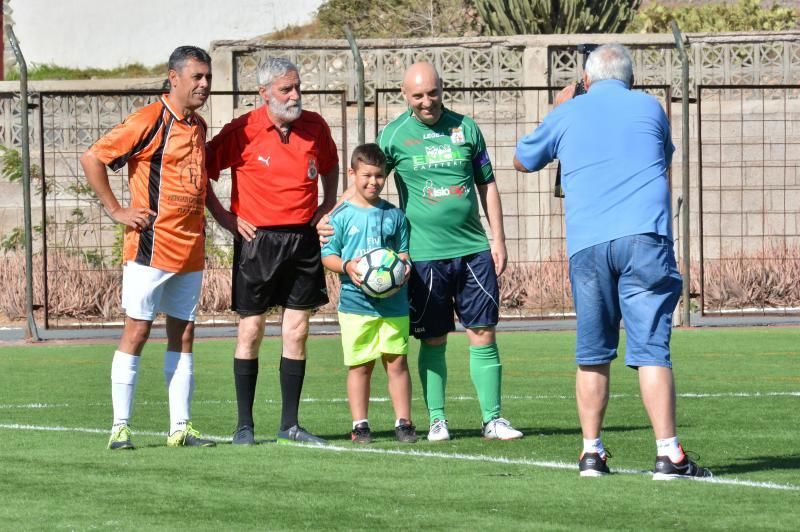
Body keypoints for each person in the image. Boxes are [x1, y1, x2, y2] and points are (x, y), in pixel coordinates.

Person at [514, 44, 712, 480]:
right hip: (645, 235)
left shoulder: (569, 111)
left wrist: (558, 108)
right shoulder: (650, 107)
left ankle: (591, 452)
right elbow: (661, 156)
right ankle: (667, 454)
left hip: (588, 243)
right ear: (632, 78)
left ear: (586, 80)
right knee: (652, 349)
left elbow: (522, 159)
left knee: (592, 351)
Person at [320, 62, 522, 442]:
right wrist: (331, 216)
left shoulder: (467, 128)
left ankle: (493, 419)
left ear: (442, 89)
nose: (427, 101)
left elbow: (488, 185)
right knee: (433, 338)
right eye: (418, 96)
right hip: (424, 256)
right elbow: (367, 177)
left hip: (474, 248)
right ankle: (437, 420)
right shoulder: (395, 135)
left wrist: (499, 238)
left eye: (433, 93)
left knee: (483, 331)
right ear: (404, 95)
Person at [80, 46, 216, 450]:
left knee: (185, 333)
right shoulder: (149, 119)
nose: (205, 85)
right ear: (173, 78)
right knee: (137, 330)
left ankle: (180, 428)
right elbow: (93, 158)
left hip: (190, 246)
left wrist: (220, 219)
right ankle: (120, 427)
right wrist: (116, 209)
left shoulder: (198, 125)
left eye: (208, 77)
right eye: (197, 77)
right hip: (150, 247)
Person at [205, 57, 339, 445]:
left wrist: (327, 205)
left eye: (297, 87)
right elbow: (201, 171)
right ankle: (244, 426)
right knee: (252, 329)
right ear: (264, 93)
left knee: (296, 332)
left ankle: (290, 425)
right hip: (257, 242)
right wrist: (226, 219)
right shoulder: (242, 130)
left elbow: (329, 166)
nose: (295, 95)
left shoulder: (315, 127)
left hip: (303, 239)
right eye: (286, 89)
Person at [320, 143, 417, 444]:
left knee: (397, 361)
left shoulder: (394, 216)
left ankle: (404, 422)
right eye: (366, 175)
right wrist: (347, 266)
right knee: (360, 364)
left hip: (394, 304)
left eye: (379, 176)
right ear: (352, 174)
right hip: (355, 304)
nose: (373, 182)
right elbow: (328, 256)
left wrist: (405, 266)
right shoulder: (341, 217)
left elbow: (403, 253)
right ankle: (360, 424)